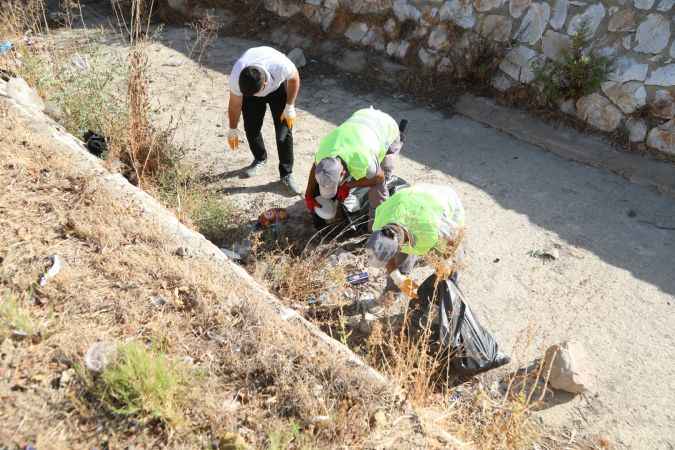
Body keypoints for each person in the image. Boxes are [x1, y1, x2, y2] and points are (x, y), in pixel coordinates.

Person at [365, 183, 466, 301]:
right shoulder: (380, 222)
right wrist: (397, 277)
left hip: (445, 205)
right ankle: (391, 295)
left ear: (398, 248)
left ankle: (444, 298)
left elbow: (455, 236)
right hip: (412, 199)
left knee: (450, 267)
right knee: (400, 262)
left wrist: (446, 260)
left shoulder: (431, 227)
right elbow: (386, 252)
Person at [304, 107, 403, 223]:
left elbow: (379, 178)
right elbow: (315, 167)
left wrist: (349, 185)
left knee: (382, 180)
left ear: (343, 173)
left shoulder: (364, 161)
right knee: (364, 178)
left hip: (386, 128)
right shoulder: (324, 154)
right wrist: (308, 195)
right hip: (361, 118)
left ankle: (377, 224)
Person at [227, 46, 302, 195]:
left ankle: (286, 174)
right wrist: (232, 128)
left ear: (265, 85)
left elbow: (294, 79)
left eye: (257, 92)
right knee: (251, 128)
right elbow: (235, 104)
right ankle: (260, 158)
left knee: (283, 132)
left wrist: (290, 106)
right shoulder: (237, 76)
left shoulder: (280, 66)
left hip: (277, 91)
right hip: (251, 94)